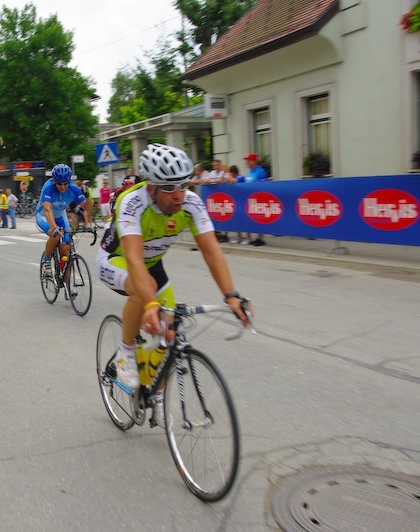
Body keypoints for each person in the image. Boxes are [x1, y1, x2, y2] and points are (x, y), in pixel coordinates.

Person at [96, 144, 254, 426]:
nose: (178, 194)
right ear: (152, 187)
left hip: (153, 265)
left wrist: (231, 296)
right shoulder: (132, 203)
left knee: (171, 334)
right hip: (117, 259)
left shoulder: (192, 203)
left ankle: (155, 394)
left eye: (183, 184)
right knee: (139, 291)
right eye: (169, 188)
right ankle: (125, 352)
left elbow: (211, 251)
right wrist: (151, 303)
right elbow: (133, 258)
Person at [36, 164, 91, 278]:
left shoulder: (73, 188)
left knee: (66, 251)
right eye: (59, 184)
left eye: (65, 183)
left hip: (61, 216)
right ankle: (46, 261)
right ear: (54, 181)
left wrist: (87, 196)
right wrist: (54, 228)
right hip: (43, 216)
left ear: (69, 181)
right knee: (54, 234)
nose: (62, 187)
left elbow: (87, 208)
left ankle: (67, 289)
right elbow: (47, 209)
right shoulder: (48, 187)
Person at [243, 153, 269, 246]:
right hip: (250, 199)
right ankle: (250, 238)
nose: (246, 163)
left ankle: (260, 238)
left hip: (259, 199)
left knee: (259, 218)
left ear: (253, 161)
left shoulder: (260, 171)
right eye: (246, 161)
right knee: (250, 218)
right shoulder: (249, 172)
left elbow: (264, 183)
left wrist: (255, 184)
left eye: (248, 161)